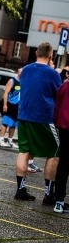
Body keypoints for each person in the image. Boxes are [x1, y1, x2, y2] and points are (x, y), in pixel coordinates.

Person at [13, 42, 62, 203]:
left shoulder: (26, 70)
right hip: (42, 117)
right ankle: (49, 193)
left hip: (24, 115)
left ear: (36, 53)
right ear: (51, 55)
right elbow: (59, 94)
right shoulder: (52, 73)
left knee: (24, 150)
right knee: (55, 152)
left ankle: (20, 190)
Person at [53, 67, 69, 213]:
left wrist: (56, 121)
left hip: (64, 128)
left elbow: (57, 105)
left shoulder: (64, 85)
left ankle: (59, 201)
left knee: (63, 164)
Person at [0, 69, 21, 148]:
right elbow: (6, 93)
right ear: (18, 72)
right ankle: (1, 140)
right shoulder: (12, 80)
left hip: (17, 106)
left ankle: (10, 140)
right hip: (10, 104)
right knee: (5, 122)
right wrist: (5, 104)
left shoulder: (24, 82)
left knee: (14, 124)